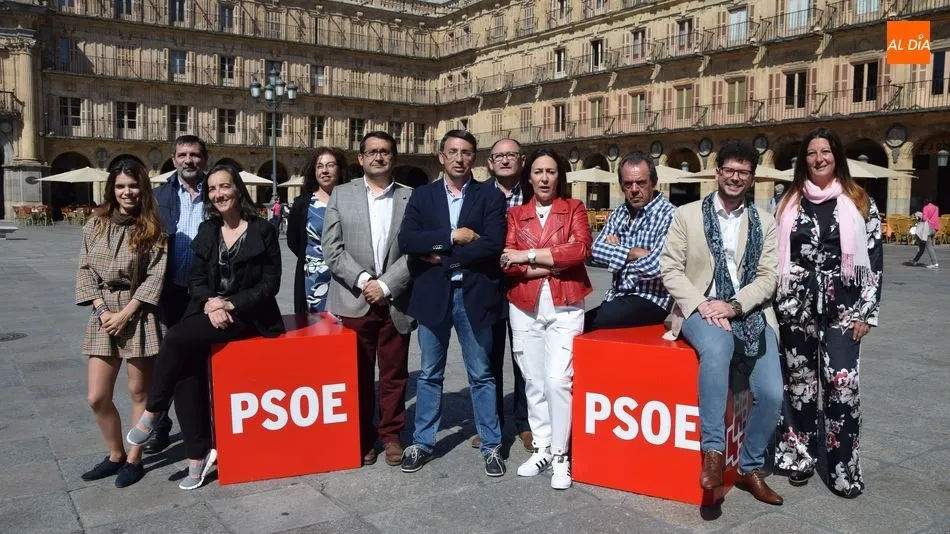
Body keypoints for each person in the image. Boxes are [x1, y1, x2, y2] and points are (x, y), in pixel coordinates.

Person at [126, 164, 284, 490]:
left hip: (249, 316)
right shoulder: (208, 229)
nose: (218, 194)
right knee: (186, 369)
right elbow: (196, 278)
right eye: (212, 189)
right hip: (210, 311)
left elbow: (270, 285)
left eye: (224, 187)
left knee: (179, 337)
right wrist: (211, 302)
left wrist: (229, 304)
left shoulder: (263, 230)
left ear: (238, 189)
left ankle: (154, 411)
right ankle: (197, 456)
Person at [660, 140, 784, 506]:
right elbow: (670, 268)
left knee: (773, 392)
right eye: (728, 170)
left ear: (752, 178)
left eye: (743, 172)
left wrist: (733, 305)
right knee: (717, 348)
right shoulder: (687, 215)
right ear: (717, 172)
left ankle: (749, 467)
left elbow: (767, 277)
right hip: (697, 306)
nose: (734, 177)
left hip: (747, 311)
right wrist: (703, 305)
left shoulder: (765, 221)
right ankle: (712, 453)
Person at [773, 127, 883, 498]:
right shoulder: (787, 199)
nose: (819, 158)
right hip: (794, 305)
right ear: (803, 160)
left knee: (842, 383)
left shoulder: (859, 199)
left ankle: (843, 469)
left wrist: (866, 312)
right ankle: (798, 457)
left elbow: (875, 258)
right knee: (799, 383)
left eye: (825, 151)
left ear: (837, 156)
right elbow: (773, 253)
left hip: (843, 306)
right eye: (811, 153)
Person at [397, 130, 507, 477]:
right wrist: (452, 237)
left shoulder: (490, 196)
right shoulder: (423, 196)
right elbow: (408, 240)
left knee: (482, 374)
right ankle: (423, 442)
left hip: (473, 295)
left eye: (467, 152)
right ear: (441, 156)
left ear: (474, 158)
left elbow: (491, 246)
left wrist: (445, 257)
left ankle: (491, 445)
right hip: (433, 297)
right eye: (453, 152)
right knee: (430, 373)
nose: (460, 158)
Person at [501, 148, 592, 490]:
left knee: (558, 380)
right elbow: (506, 263)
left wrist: (527, 255)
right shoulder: (516, 214)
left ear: (559, 176)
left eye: (550, 172)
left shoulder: (574, 209)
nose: (543, 178)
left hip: (566, 303)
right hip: (524, 305)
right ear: (529, 177)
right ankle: (540, 446)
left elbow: (580, 250)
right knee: (534, 381)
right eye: (538, 172)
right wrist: (551, 263)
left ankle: (561, 455)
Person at [323, 131, 414, 467]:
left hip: (396, 300)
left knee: (394, 373)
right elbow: (332, 249)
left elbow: (416, 252)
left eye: (385, 151)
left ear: (394, 157)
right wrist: (365, 281)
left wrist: (386, 284)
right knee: (357, 374)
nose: (379, 157)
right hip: (353, 299)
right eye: (371, 152)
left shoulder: (411, 197)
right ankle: (362, 436)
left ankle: (391, 435)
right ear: (360, 158)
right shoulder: (341, 195)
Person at [75, 159, 167, 488]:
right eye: (120, 186)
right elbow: (85, 269)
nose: (127, 192)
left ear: (143, 187)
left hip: (138, 312)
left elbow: (155, 276)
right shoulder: (95, 224)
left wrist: (127, 312)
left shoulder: (153, 228)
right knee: (97, 396)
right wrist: (102, 310)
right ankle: (114, 454)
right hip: (104, 314)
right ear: (112, 190)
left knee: (138, 391)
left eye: (132, 185)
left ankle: (134, 458)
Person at [147, 134, 208, 454]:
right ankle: (160, 422)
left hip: (205, 294)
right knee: (164, 362)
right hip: (167, 291)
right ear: (173, 159)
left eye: (195, 155)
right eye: (183, 155)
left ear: (204, 159)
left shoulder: (218, 193)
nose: (189, 160)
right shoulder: (157, 197)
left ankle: (202, 424)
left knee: (199, 364)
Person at [585, 151, 676, 331]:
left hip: (652, 300)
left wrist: (616, 254)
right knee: (579, 321)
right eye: (628, 184)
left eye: (641, 182)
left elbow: (657, 266)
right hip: (617, 296)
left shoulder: (670, 215)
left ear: (653, 182)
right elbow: (595, 250)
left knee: (585, 323)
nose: (634, 189)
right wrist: (632, 252)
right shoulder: (620, 212)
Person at [480, 137, 532, 451]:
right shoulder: (478, 193)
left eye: (511, 154)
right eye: (499, 155)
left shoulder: (534, 193)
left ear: (521, 160)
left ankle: (525, 423)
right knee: (489, 357)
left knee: (524, 356)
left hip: (526, 282)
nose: (505, 160)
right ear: (490, 162)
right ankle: (492, 424)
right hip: (488, 284)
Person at [287, 147, 351, 314]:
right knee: (316, 327)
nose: (324, 170)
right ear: (313, 171)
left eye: (330, 165)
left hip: (347, 275)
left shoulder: (352, 201)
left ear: (340, 169)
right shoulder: (303, 204)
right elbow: (294, 241)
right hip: (313, 278)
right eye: (319, 166)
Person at [910, 197, 939, 269]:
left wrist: (919, 215)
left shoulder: (925, 208)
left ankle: (935, 263)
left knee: (928, 246)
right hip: (934, 228)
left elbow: (924, 218)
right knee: (923, 245)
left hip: (927, 229)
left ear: (925, 202)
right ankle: (915, 260)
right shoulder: (936, 208)